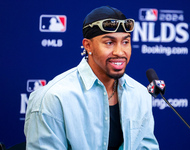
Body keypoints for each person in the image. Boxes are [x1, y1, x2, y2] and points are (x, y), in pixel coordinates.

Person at [24, 6, 159, 150]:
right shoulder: (52, 98)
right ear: (88, 46)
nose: (120, 52)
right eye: (109, 43)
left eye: (125, 42)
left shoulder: (140, 94)